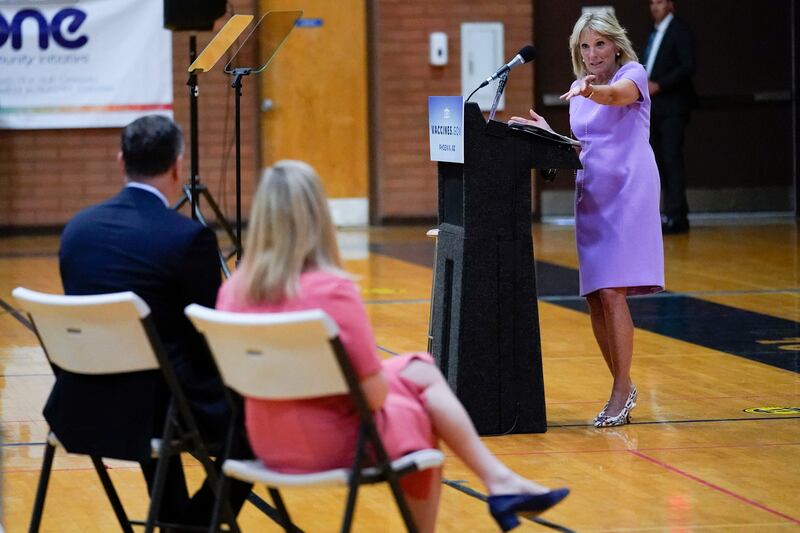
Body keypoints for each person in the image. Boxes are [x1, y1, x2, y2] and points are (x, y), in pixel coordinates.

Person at [216, 160, 569, 532]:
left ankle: (501, 482)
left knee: (418, 367)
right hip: (328, 444)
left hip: (265, 438)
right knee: (420, 410)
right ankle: (496, 483)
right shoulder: (333, 291)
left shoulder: (232, 292)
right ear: (318, 216)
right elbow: (372, 396)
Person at [56, 115, 251, 527]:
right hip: (155, 408)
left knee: (155, 373)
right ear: (178, 166)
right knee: (263, 416)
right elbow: (207, 337)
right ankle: (193, 525)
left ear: (120, 160)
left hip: (84, 402)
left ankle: (175, 519)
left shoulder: (77, 230)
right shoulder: (187, 238)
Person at [510, 11, 664, 427]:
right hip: (593, 193)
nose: (592, 54)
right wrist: (547, 133)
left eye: (599, 44)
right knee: (596, 294)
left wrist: (590, 92)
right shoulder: (578, 89)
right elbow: (583, 147)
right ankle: (622, 384)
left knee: (613, 291)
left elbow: (616, 97)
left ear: (615, 44)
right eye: (584, 46)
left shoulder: (630, 74)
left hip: (629, 191)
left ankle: (621, 390)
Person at [642, 0, 696, 234]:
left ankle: (677, 216)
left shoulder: (679, 30)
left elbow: (687, 66)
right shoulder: (653, 33)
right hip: (657, 108)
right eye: (652, 2)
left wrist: (659, 84)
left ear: (670, 5)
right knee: (661, 160)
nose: (655, 7)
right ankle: (669, 212)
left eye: (660, 2)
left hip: (673, 106)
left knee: (672, 158)